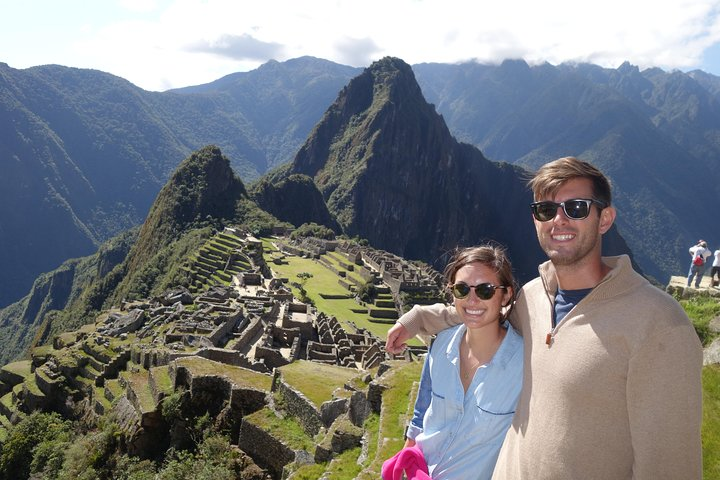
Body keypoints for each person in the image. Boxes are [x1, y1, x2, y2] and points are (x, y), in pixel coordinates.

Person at [386, 157, 703, 480]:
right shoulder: (533, 298)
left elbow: (671, 467)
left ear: (605, 219)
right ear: (535, 220)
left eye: (576, 208)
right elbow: (479, 312)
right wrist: (418, 319)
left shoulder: (659, 324)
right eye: (546, 210)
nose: (559, 221)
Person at [385, 245, 523, 480]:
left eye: (485, 290)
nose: (472, 300)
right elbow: (422, 413)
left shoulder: (524, 365)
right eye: (461, 289)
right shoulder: (441, 346)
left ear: (506, 294)